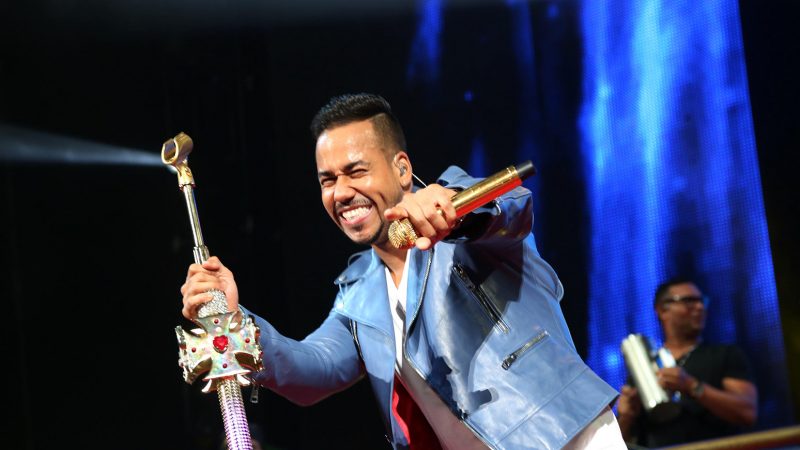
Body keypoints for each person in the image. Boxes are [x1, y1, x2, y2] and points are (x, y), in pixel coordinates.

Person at [181, 93, 624, 449]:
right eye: (328, 180)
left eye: (356, 172)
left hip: (562, 436)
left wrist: (453, 209)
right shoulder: (359, 294)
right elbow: (311, 370)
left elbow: (510, 206)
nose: (342, 192)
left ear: (402, 169)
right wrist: (235, 322)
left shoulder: (462, 222)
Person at [616, 278, 758, 447]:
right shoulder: (644, 371)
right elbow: (620, 444)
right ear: (662, 310)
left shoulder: (724, 355)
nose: (699, 307)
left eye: (701, 301)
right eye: (689, 301)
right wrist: (626, 416)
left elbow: (747, 412)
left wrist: (691, 386)